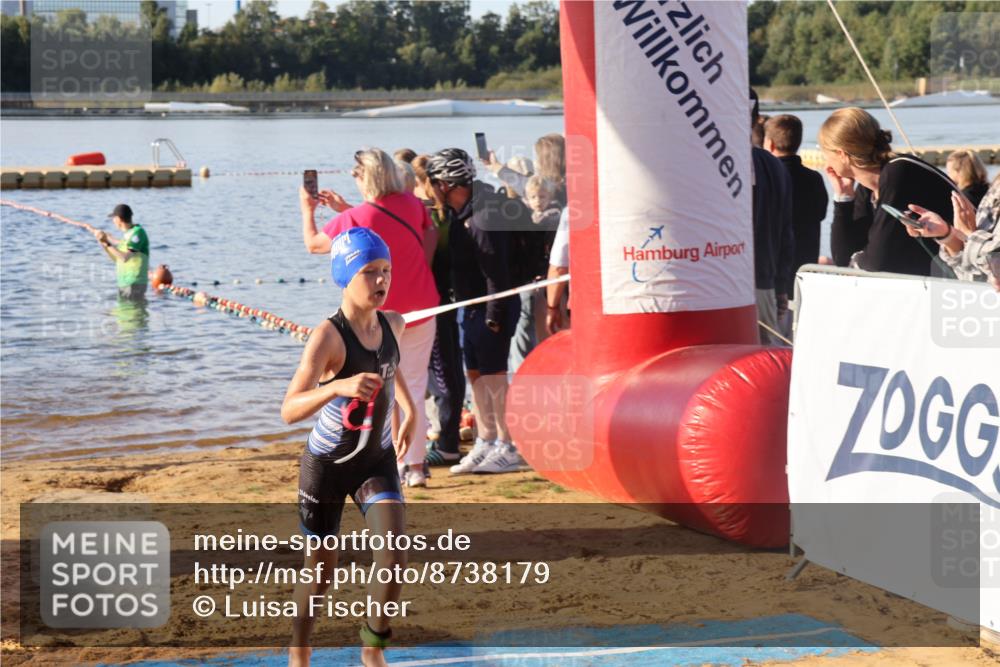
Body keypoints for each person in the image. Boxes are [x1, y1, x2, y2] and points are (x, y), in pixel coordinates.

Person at [282, 228, 416, 667]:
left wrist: (409, 410)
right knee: (321, 571)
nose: (381, 280)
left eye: (386, 271)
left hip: (376, 461)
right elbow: (289, 410)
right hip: (326, 465)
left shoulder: (393, 322)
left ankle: (372, 649)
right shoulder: (328, 337)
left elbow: (391, 369)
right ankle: (299, 652)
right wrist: (337, 384)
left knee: (393, 554)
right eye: (369, 272)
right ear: (344, 275)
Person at [299, 148, 439, 487]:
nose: (355, 180)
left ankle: (395, 460)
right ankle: (415, 466)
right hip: (424, 304)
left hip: (384, 315)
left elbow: (314, 245)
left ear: (366, 177)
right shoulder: (412, 204)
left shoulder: (355, 218)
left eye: (356, 175)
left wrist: (308, 209)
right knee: (413, 385)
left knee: (384, 387)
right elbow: (425, 232)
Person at [425, 148, 526, 475]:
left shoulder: (482, 217)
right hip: (470, 309)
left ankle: (508, 446)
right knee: (476, 378)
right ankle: (487, 439)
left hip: (492, 309)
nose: (429, 189)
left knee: (495, 380)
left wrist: (494, 319)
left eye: (432, 183)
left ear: (445, 183)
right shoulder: (459, 213)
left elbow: (497, 274)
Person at [820, 107, 956, 276]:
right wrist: (843, 197)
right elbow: (842, 258)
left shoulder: (898, 172)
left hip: (960, 282)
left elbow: (877, 261)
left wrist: (857, 260)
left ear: (841, 154)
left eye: (825, 153)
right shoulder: (868, 186)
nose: (826, 161)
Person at [412, 154, 466, 467]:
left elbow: (425, 261)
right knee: (449, 370)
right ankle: (447, 436)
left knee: (442, 374)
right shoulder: (443, 215)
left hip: (437, 301)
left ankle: (447, 443)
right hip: (451, 298)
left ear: (424, 184)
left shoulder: (433, 216)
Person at [750, 90, 794, 345]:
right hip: (765, 283)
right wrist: (781, 287)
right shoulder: (773, 165)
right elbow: (785, 234)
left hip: (749, 284)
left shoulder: (765, 165)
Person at [765, 114, 829, 276]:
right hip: (805, 267)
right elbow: (821, 214)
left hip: (774, 268)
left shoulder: (766, 179)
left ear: (770, 144)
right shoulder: (814, 178)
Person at [509, 175, 562, 369]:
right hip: (531, 278)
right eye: (533, 197)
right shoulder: (525, 216)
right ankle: (523, 365)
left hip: (545, 277)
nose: (538, 201)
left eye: (542, 196)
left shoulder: (553, 218)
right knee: (526, 324)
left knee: (536, 323)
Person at [91, 204, 149, 300]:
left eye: (114, 218)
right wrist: (104, 243)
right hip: (124, 284)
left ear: (118, 219)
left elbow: (124, 257)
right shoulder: (127, 236)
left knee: (133, 313)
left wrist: (107, 243)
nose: (113, 221)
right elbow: (117, 259)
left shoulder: (138, 233)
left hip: (134, 284)